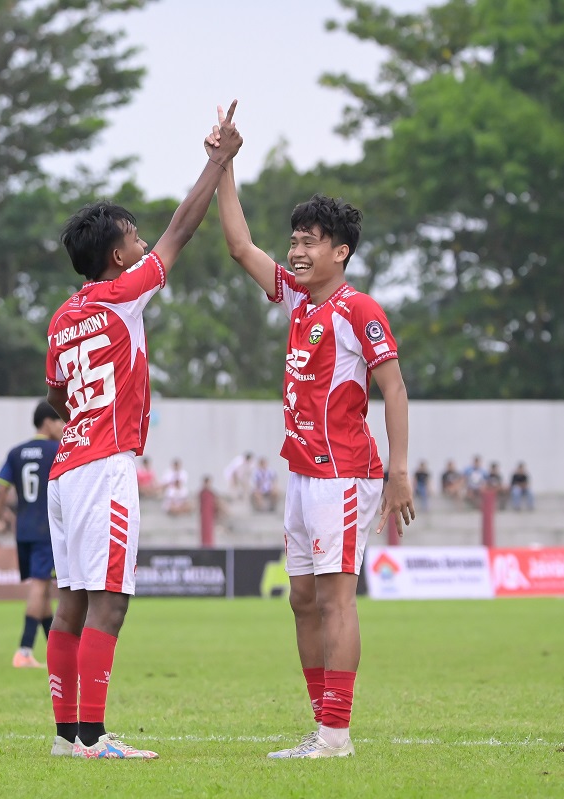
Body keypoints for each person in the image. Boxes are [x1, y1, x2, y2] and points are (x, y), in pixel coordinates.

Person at [210, 108, 414, 759]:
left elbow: (395, 390)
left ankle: (336, 733)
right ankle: (321, 725)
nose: (295, 250)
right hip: (301, 473)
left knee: (334, 599)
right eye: (294, 239)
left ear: (340, 252)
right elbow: (240, 246)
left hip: (342, 474)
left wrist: (398, 471)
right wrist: (225, 163)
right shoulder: (298, 298)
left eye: (310, 241)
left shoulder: (359, 310)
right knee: (301, 598)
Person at [42, 106, 243, 760]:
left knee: (69, 602)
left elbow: (55, 395)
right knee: (111, 602)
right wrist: (218, 160)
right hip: (105, 466)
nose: (142, 242)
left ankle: (68, 737)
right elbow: (183, 228)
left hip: (66, 468)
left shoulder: (60, 318)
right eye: (132, 236)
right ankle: (96, 738)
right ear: (117, 253)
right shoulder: (122, 293)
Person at [0, 400, 65, 669]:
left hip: (24, 529)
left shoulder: (16, 452)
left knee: (43, 593)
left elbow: (1, 493)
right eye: (60, 421)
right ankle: (24, 650)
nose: (64, 427)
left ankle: (57, 653)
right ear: (47, 422)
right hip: (48, 530)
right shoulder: (58, 450)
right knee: (40, 586)